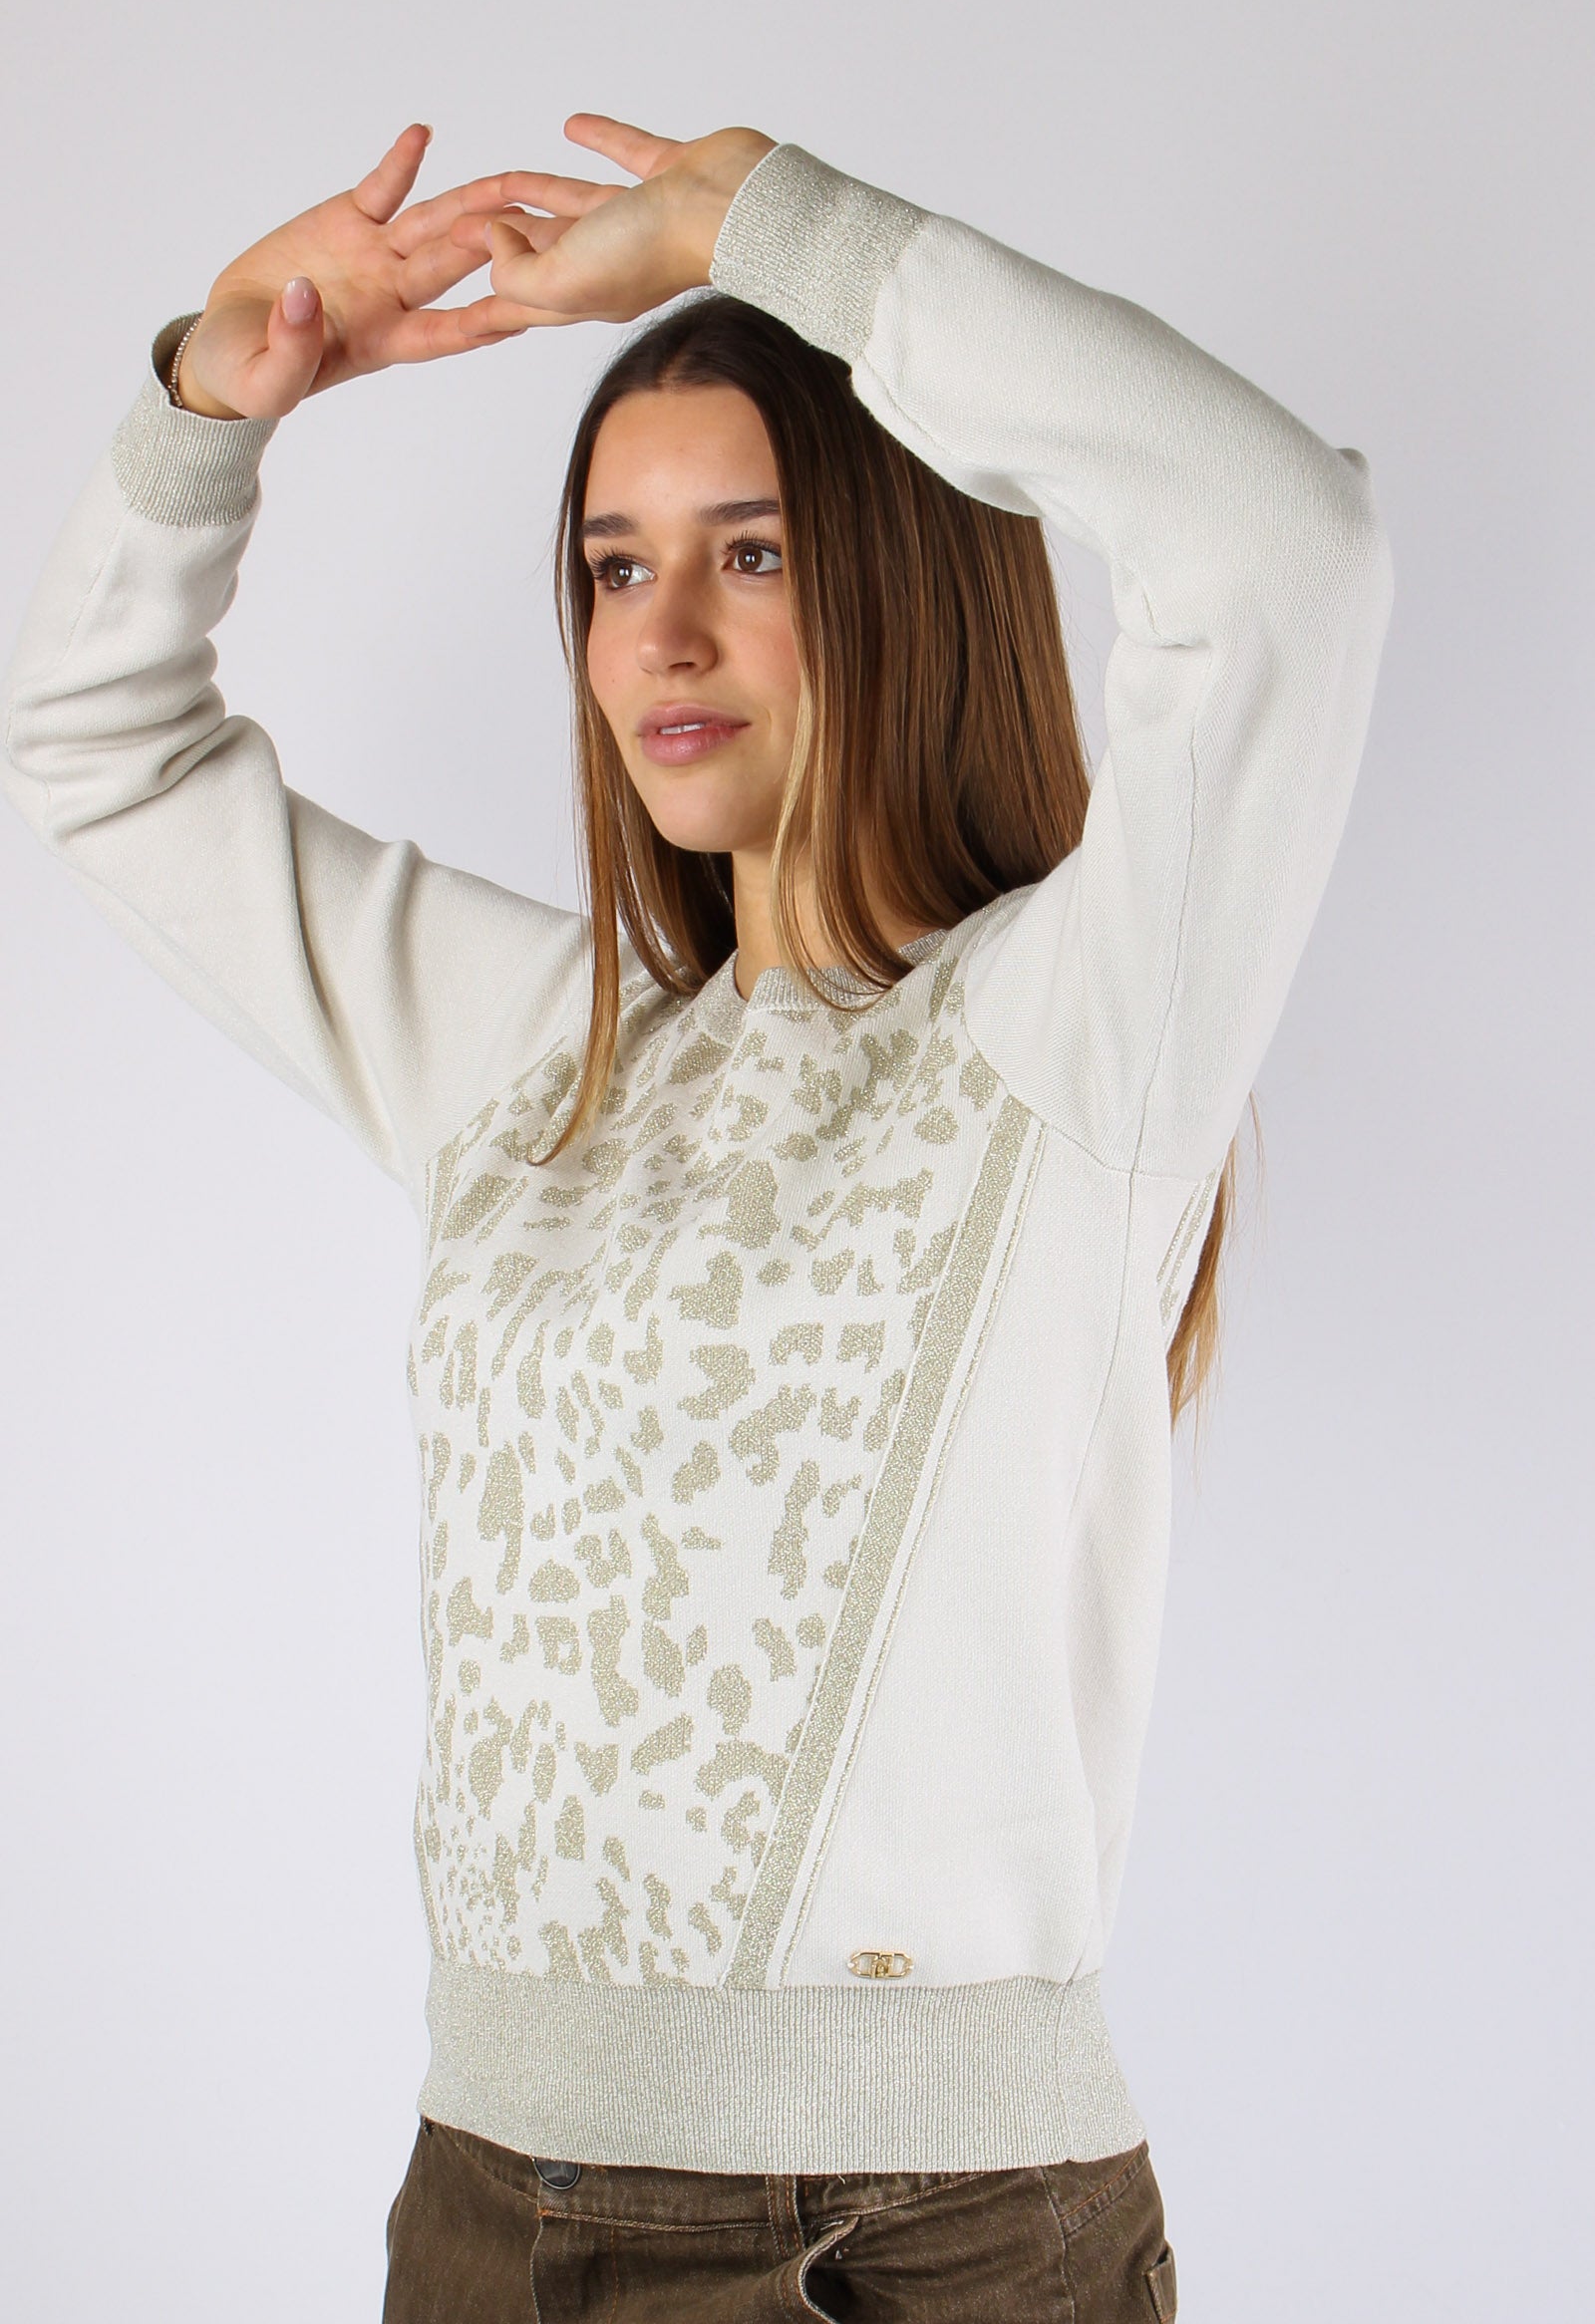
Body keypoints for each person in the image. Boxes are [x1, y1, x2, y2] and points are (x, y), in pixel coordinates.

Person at [1, 114, 1393, 2321]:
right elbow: (101, 753)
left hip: (925, 2248)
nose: (660, 633)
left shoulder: (1073, 1033)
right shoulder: (536, 1056)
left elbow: (1282, 547)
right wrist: (210, 400)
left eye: (748, 552)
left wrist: (773, 229)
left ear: (898, 574)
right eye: (609, 564)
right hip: (489, 2212)